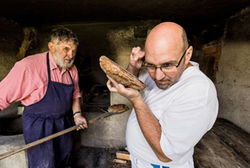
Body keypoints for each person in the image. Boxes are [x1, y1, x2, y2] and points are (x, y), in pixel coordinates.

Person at [106, 22, 218, 168]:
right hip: (140, 161)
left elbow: (165, 154)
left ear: (188, 54)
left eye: (167, 65)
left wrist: (137, 101)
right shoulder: (158, 73)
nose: (158, 77)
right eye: (151, 65)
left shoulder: (199, 91)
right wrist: (133, 67)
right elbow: (130, 85)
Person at [0, 26, 88, 168]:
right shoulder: (28, 67)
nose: (71, 55)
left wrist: (77, 115)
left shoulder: (72, 69)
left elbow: (75, 94)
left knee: (64, 160)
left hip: (64, 124)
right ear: (51, 47)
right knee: (44, 164)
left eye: (73, 51)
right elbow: (1, 96)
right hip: (39, 126)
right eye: (66, 49)